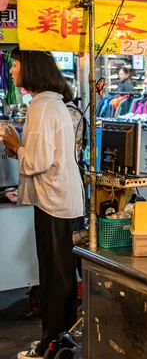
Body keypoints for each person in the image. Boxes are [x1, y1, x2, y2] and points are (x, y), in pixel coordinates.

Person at [0, 48, 84, 359]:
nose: (12, 71)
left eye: (16, 64)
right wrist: (18, 150)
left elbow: (37, 160)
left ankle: (51, 341)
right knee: (58, 273)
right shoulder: (50, 103)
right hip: (59, 197)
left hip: (54, 200)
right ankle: (59, 338)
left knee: (54, 274)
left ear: (31, 68)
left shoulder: (42, 106)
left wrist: (15, 146)